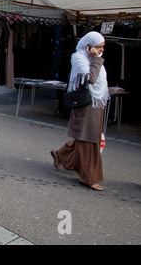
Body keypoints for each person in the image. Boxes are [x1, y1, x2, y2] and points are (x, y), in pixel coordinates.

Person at [50, 31, 109, 191]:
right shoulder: (78, 57)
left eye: (102, 48)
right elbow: (90, 78)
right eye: (98, 47)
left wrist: (96, 58)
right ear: (88, 46)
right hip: (85, 102)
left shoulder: (92, 58)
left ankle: (59, 154)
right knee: (86, 141)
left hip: (96, 101)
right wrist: (96, 59)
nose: (101, 51)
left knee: (90, 138)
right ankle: (88, 178)